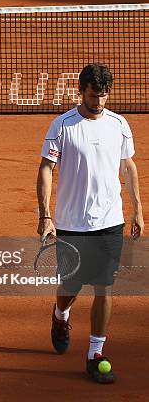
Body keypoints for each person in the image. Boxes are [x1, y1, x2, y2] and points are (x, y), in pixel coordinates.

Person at [36, 63, 144, 384]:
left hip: (110, 221)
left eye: (104, 96)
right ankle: (60, 315)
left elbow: (128, 166)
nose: (99, 102)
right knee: (71, 287)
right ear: (81, 92)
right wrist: (45, 215)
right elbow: (45, 168)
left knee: (104, 287)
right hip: (72, 223)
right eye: (94, 96)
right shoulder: (63, 126)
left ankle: (95, 353)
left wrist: (137, 207)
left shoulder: (119, 124)